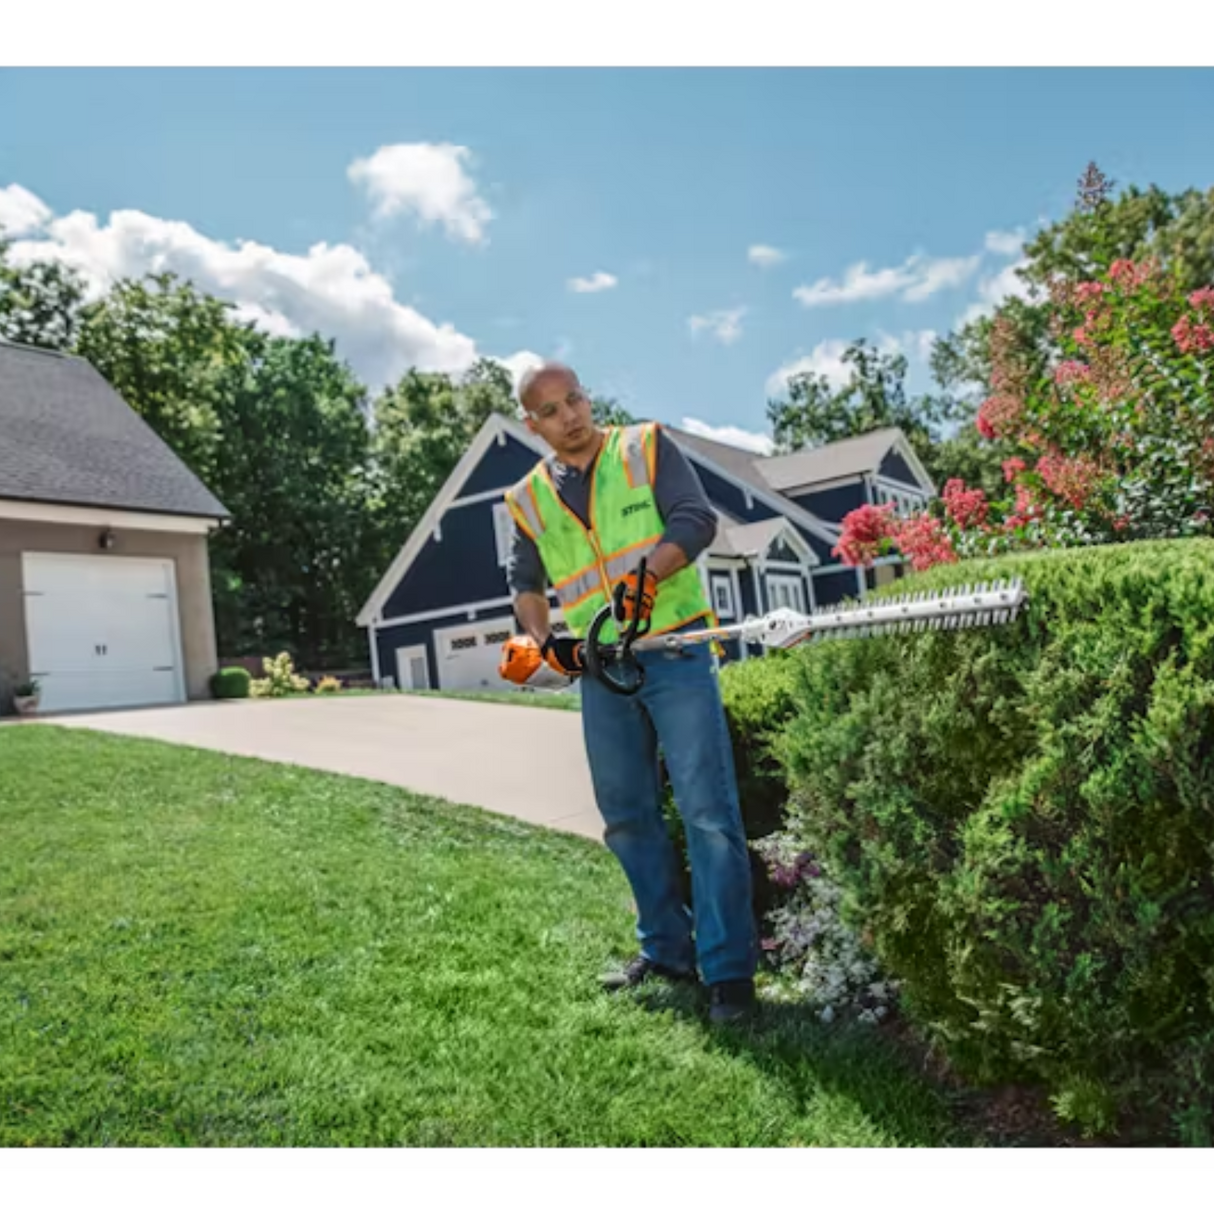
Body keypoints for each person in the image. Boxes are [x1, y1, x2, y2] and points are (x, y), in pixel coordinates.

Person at [497, 360, 757, 1025]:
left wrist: (647, 577)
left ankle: (729, 972)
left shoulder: (644, 447)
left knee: (707, 811)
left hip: (675, 649)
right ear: (532, 424)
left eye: (575, 400)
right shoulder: (527, 498)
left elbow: (694, 520)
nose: (570, 417)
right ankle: (667, 953)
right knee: (626, 816)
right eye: (551, 411)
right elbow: (525, 584)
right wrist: (543, 639)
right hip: (601, 668)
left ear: (587, 398)